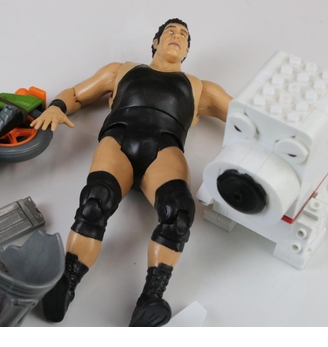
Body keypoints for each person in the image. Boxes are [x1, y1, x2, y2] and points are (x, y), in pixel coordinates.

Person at [31, 18, 232, 326]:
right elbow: (77, 94)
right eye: (170, 31)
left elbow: (246, 117)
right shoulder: (121, 70)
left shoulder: (199, 88)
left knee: (179, 213)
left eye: (184, 36)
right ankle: (66, 281)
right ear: (155, 42)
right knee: (96, 201)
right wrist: (57, 106)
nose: (177, 36)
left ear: (187, 51)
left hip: (164, 149)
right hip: (119, 140)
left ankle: (151, 298)